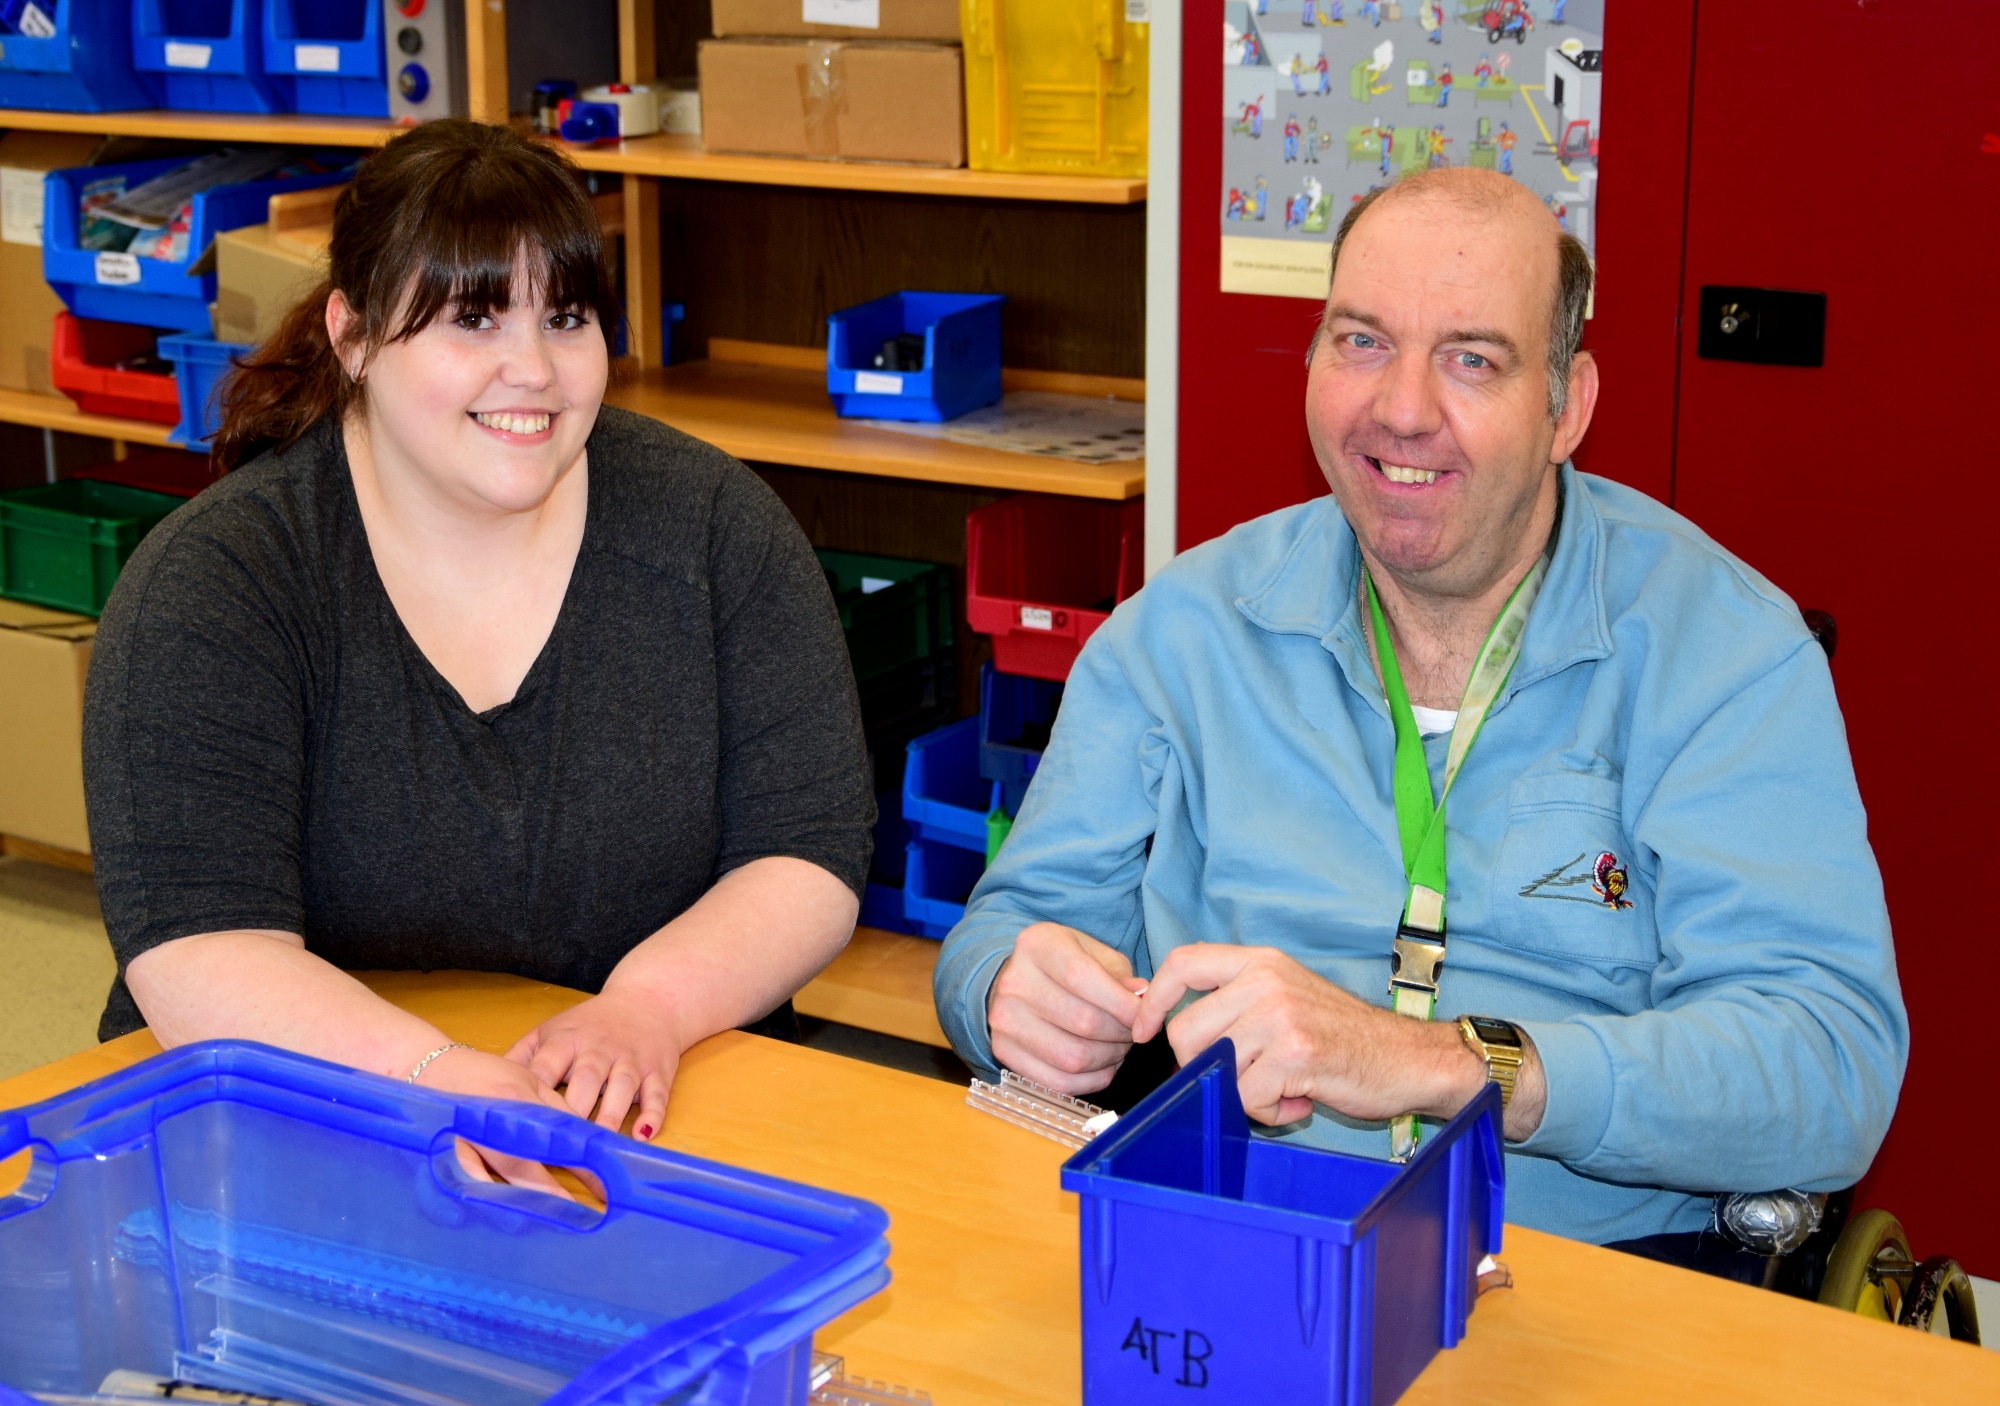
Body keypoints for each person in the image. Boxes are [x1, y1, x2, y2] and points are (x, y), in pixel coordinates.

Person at [933, 168, 1906, 1260]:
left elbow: (1828, 1067)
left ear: (1564, 407)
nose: (1400, 408)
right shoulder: (1181, 635)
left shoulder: (1718, 653)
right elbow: (1003, 932)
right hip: (1243, 1247)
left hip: (1591, 1282)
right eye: (1358, 341)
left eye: (1471, 359)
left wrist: (1447, 1059)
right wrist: (1008, 993)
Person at [84, 122, 874, 1187]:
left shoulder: (714, 528)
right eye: (472, 318)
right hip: (291, 1121)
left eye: (565, 315)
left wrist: (650, 1005)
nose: (535, 372)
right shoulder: (219, 582)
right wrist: (436, 1076)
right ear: (353, 334)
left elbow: (807, 846)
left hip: (634, 1109)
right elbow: (197, 945)